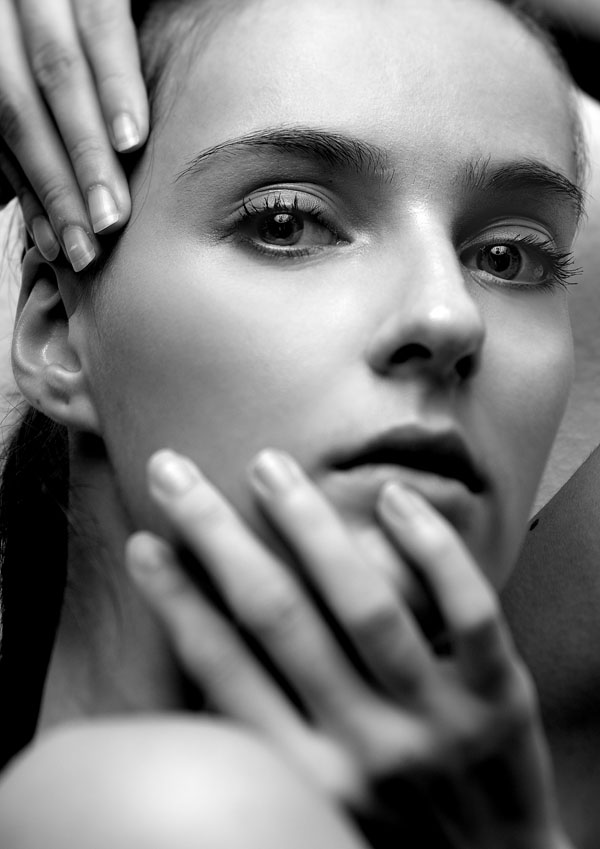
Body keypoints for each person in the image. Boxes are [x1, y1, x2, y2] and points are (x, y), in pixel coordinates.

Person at [0, 0, 589, 846]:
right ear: (60, 331)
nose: (449, 315)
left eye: (509, 255)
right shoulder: (161, 811)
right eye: (287, 222)